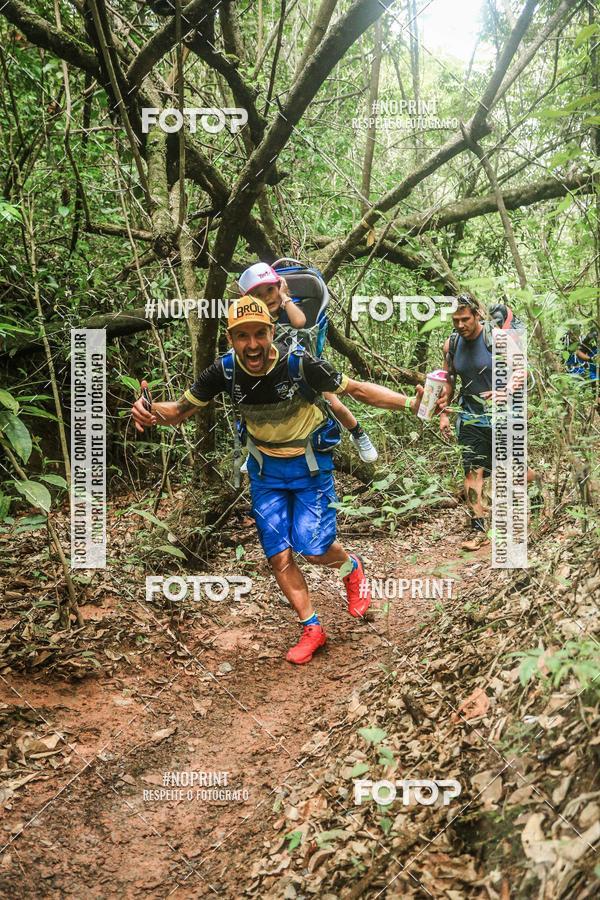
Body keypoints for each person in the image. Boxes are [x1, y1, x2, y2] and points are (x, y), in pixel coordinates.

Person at [131, 296, 423, 665]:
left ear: (272, 331)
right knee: (279, 555)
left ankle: (352, 569)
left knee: (314, 549)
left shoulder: (299, 363)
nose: (252, 344)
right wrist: (150, 411)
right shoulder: (224, 371)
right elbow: (178, 411)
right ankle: (312, 628)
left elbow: (358, 390)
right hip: (265, 473)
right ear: (230, 339)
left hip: (310, 468)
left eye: (259, 333)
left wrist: (410, 404)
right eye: (242, 336)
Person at [237, 262, 378, 464]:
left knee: (334, 403)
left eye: (270, 290)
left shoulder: (289, 308)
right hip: (270, 374)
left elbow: (299, 322)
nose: (267, 297)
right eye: (259, 295)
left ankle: (358, 433)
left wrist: (285, 297)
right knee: (256, 409)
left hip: (305, 369)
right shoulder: (254, 321)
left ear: (280, 286)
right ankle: (253, 449)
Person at [438, 295, 537, 551]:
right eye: (456, 320)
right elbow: (448, 380)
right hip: (471, 417)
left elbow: (521, 369)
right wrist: (443, 412)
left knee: (516, 472)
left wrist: (505, 391)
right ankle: (479, 529)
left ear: (477, 315)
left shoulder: (496, 338)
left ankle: (538, 492)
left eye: (465, 319)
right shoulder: (451, 344)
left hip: (505, 415)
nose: (460, 325)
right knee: (473, 473)